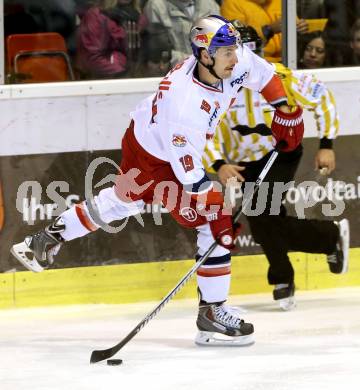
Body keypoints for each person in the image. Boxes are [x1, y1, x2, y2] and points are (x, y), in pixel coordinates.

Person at [11, 15, 306, 345]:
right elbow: (192, 181)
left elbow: (262, 74)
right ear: (204, 55)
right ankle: (212, 313)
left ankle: (46, 240)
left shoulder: (227, 58)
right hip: (159, 157)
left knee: (121, 202)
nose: (234, 59)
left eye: (233, 51)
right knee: (214, 217)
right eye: (226, 53)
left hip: (142, 138)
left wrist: (284, 110)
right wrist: (215, 206)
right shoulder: (184, 107)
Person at [203, 23, 350, 310]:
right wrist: (218, 163)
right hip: (241, 164)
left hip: (280, 153)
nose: (240, 59)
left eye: (247, 50)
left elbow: (323, 99)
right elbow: (203, 130)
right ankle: (328, 238)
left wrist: (327, 144)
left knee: (260, 210)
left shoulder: (280, 77)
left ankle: (283, 277)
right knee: (263, 219)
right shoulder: (215, 86)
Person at [220, 0, 309, 63]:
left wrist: (300, 29)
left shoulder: (282, 2)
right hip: (258, 63)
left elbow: (295, 26)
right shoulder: (231, 4)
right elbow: (236, 41)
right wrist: (268, 30)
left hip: (290, 61)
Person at [76, 0, 146, 79]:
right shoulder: (96, 15)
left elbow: (141, 55)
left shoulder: (138, 17)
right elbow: (92, 58)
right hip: (105, 80)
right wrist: (121, 73)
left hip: (134, 77)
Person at [144, 0, 220, 67]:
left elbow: (222, 45)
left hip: (211, 74)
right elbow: (161, 54)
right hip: (173, 76)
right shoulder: (156, 6)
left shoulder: (210, 5)